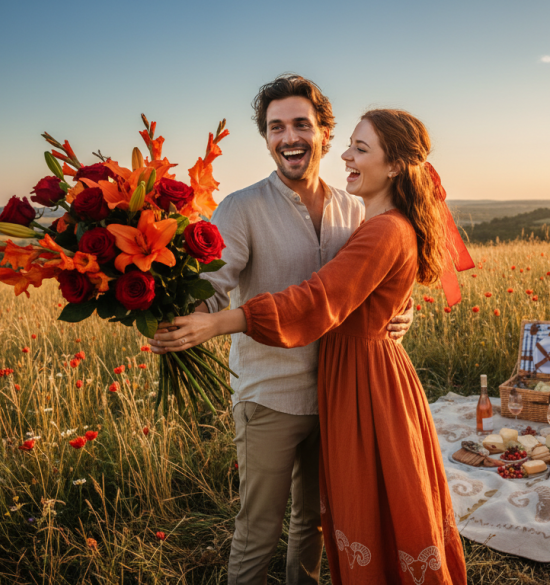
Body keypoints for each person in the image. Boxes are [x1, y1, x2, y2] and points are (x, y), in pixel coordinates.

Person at [152, 109, 469, 584]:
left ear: (323, 134)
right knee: (263, 528)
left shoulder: (363, 213)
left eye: (360, 149)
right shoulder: (246, 207)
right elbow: (216, 283)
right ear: (265, 138)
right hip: (278, 391)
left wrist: (224, 323)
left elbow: (328, 296)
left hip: (354, 386)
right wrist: (187, 309)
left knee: (324, 519)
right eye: (275, 127)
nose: (347, 155)